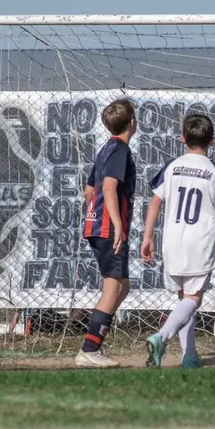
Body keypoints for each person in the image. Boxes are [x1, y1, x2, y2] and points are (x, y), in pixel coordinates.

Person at [142, 113, 215, 369]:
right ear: (212, 141)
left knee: (184, 297)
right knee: (193, 299)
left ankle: (190, 356)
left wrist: (148, 236)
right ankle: (161, 338)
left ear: (183, 138)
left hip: (172, 240)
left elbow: (155, 203)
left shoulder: (172, 166)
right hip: (200, 241)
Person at [77, 98, 137, 368]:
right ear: (132, 123)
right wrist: (117, 224)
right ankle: (90, 349)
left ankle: (94, 342)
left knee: (121, 287)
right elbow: (109, 187)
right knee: (113, 287)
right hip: (107, 227)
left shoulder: (106, 149)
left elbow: (90, 189)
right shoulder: (120, 150)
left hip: (96, 224)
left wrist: (95, 215)